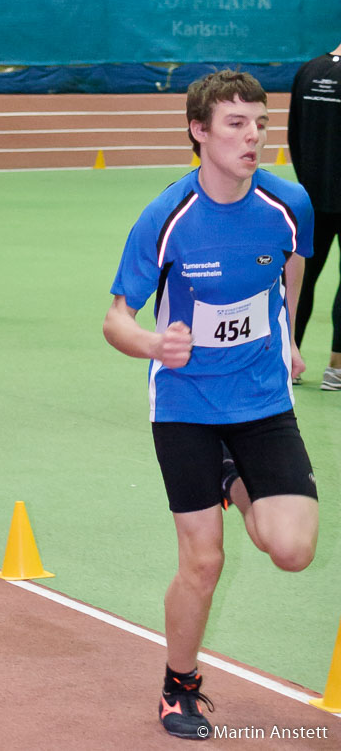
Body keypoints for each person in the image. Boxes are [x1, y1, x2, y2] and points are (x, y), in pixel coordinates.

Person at [102, 70, 319, 740]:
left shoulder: (288, 205)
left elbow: (291, 268)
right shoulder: (167, 219)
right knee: (204, 559)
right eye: (235, 123)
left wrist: (288, 339)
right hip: (187, 401)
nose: (253, 135)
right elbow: (115, 319)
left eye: (259, 121)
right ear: (199, 131)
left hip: (260, 398)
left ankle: (236, 474)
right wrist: (151, 342)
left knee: (291, 548)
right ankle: (180, 683)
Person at [288, 44, 341, 390]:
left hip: (311, 196)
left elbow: (294, 133)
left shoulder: (307, 71)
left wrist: (306, 181)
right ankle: (336, 368)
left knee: (298, 277)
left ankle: (289, 358)